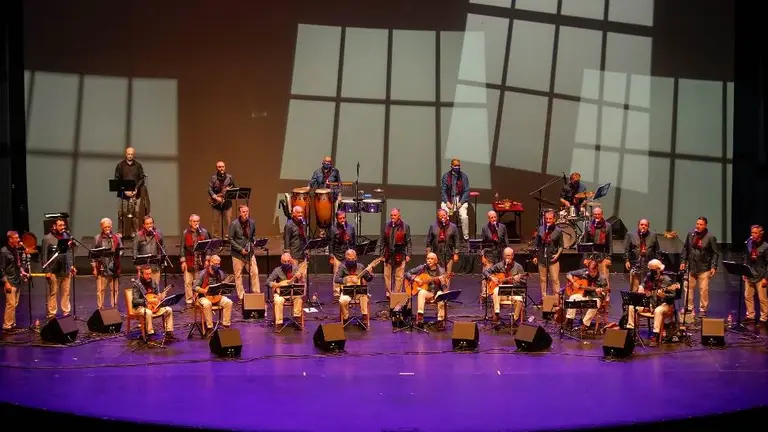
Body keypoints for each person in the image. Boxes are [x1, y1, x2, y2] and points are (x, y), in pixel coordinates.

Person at [625, 259, 681, 346]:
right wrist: (641, 287)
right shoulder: (649, 276)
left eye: (653, 269)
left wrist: (664, 295)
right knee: (632, 306)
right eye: (650, 269)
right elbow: (644, 284)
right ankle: (631, 331)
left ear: (659, 269)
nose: (651, 271)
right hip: (650, 303)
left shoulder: (667, 280)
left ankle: (655, 335)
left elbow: (674, 295)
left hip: (664, 305)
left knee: (658, 310)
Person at [679, 216, 719, 318]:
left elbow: (715, 253)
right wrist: (683, 261)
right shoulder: (690, 235)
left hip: (704, 268)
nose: (698, 226)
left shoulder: (710, 237)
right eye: (697, 224)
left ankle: (703, 309)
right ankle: (688, 307)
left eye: (701, 224)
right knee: (687, 287)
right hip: (691, 267)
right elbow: (685, 249)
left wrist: (713, 266)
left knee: (703, 289)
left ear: (705, 226)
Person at [41, 218, 75, 319]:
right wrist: (46, 271)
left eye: (63, 225)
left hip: (65, 269)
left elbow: (69, 253)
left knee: (66, 292)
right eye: (60, 225)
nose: (63, 227)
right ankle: (52, 313)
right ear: (54, 226)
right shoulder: (47, 238)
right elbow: (44, 255)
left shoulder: (66, 236)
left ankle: (66, 311)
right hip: (53, 270)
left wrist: (71, 265)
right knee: (53, 292)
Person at [482, 247, 525, 326]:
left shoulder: (518, 267)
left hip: (513, 293)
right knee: (495, 291)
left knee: (520, 299)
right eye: (506, 256)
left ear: (513, 256)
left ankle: (514, 319)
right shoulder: (499, 266)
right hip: (501, 294)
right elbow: (486, 272)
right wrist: (492, 278)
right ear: (503, 256)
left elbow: (524, 282)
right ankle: (497, 313)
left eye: (510, 255)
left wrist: (517, 280)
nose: (508, 257)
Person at [192, 255, 233, 335]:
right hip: (203, 296)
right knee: (207, 304)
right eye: (216, 264)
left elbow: (222, 284)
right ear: (211, 262)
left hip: (217, 296)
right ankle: (209, 328)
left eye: (219, 264)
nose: (217, 266)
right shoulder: (203, 273)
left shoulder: (220, 273)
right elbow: (194, 287)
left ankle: (226, 325)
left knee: (228, 302)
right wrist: (204, 291)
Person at [405, 253, 448, 330]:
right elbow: (407, 273)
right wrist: (415, 279)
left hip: (436, 292)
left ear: (436, 261)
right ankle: (420, 317)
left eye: (431, 259)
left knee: (441, 295)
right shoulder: (423, 268)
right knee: (421, 292)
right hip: (427, 292)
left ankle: (440, 321)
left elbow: (444, 288)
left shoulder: (441, 271)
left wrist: (443, 282)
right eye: (428, 258)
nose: (429, 260)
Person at [131, 265, 175, 338]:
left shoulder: (153, 282)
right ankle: (149, 333)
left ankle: (168, 331)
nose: (149, 276)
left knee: (168, 309)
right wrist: (147, 301)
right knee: (148, 312)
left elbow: (157, 294)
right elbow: (135, 301)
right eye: (147, 274)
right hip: (139, 307)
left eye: (150, 273)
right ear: (142, 274)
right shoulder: (137, 284)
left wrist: (161, 297)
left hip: (153, 306)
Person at [228, 205, 260, 300]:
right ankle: (241, 296)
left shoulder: (252, 223)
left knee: (255, 272)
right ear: (240, 213)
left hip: (250, 253)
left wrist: (253, 241)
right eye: (243, 212)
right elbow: (230, 239)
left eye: (247, 211)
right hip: (238, 254)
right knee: (238, 275)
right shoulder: (234, 224)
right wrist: (240, 249)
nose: (246, 213)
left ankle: (256, 294)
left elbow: (253, 235)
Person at [564, 260, 608, 331]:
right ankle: (569, 321)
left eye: (594, 272)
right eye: (590, 272)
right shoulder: (584, 272)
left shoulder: (602, 278)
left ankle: (585, 324)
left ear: (597, 269)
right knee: (572, 298)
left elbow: (604, 294)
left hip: (595, 298)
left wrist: (600, 292)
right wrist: (573, 282)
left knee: (595, 303)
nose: (592, 274)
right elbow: (568, 274)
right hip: (584, 295)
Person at [114, 147, 148, 239]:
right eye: (128, 154)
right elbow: (117, 179)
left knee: (135, 214)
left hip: (135, 194)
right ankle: (120, 232)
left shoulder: (138, 166)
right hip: (123, 195)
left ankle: (135, 232)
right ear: (125, 154)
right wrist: (125, 190)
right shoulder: (120, 165)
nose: (130, 156)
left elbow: (141, 179)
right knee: (121, 214)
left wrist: (136, 189)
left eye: (131, 154)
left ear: (134, 154)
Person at [377, 208, 412, 295]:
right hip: (388, 254)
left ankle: (397, 295)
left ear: (399, 216)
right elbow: (382, 240)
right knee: (387, 276)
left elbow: (408, 241)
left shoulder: (405, 226)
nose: (393, 217)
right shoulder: (386, 225)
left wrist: (409, 254)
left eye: (395, 215)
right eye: (391, 215)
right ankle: (389, 293)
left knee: (399, 277)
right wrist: (381, 254)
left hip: (400, 254)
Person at [90, 218, 123, 310]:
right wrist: (94, 268)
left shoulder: (116, 237)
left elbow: (121, 249)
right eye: (105, 227)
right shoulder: (97, 238)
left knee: (115, 289)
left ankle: (114, 306)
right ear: (102, 227)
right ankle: (100, 308)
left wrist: (117, 254)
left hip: (114, 267)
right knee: (100, 290)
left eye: (109, 226)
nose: (107, 228)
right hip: (102, 267)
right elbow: (93, 254)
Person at [266, 253, 305, 329]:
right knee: (278, 300)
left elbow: (302, 282)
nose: (286, 263)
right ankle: (279, 323)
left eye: (288, 261)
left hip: (293, 293)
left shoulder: (296, 269)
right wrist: (277, 285)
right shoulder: (277, 270)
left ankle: (297, 320)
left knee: (298, 298)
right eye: (284, 261)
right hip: (280, 293)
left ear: (291, 261)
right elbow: (268, 282)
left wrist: (300, 278)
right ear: (281, 261)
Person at [334, 249, 373, 324]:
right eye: (349, 259)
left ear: (356, 258)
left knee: (364, 296)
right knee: (342, 301)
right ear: (346, 258)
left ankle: (364, 315)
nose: (351, 260)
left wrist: (371, 275)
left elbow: (368, 279)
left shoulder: (360, 266)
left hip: (358, 291)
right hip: (347, 291)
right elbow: (336, 279)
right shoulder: (342, 267)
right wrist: (346, 279)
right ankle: (345, 316)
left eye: (353, 259)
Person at [180, 214, 211, 305]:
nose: (196, 223)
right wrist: (183, 261)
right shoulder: (185, 233)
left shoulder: (204, 232)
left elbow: (208, 247)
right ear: (190, 222)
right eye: (194, 221)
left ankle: (198, 299)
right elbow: (182, 248)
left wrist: (207, 259)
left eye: (197, 221)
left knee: (198, 282)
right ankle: (189, 300)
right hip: (189, 260)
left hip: (200, 260)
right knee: (188, 282)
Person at [1, 231, 30, 331]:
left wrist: (22, 271)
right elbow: (1, 269)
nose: (18, 240)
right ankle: (7, 326)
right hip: (10, 281)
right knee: (11, 304)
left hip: (16, 280)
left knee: (15, 304)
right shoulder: (4, 251)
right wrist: (6, 282)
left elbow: (17, 264)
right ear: (10, 239)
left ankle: (12, 324)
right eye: (16, 238)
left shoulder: (15, 250)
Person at [425, 209, 460, 288]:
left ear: (447, 216)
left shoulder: (453, 227)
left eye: (444, 215)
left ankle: (445, 294)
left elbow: (457, 241)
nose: (442, 217)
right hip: (436, 254)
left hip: (449, 254)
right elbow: (429, 241)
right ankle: (437, 292)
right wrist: (428, 253)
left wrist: (456, 253)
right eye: (440, 216)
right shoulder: (433, 226)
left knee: (447, 274)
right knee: (439, 274)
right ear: (438, 217)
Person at [624, 219, 660, 292]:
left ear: (648, 227)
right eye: (642, 225)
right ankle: (634, 302)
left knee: (647, 288)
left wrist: (656, 263)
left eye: (645, 225)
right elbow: (626, 249)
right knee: (634, 288)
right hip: (635, 264)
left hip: (648, 265)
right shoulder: (631, 235)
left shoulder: (653, 235)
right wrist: (627, 260)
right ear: (638, 225)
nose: (643, 226)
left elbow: (657, 250)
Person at [533, 210, 563, 298]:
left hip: (553, 258)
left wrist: (557, 255)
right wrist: (535, 256)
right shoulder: (541, 229)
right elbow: (537, 244)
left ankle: (556, 299)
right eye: (546, 219)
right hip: (542, 257)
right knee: (543, 279)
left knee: (555, 279)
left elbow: (561, 246)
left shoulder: (558, 231)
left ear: (554, 219)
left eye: (550, 218)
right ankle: (544, 298)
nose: (548, 220)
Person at [743, 225, 768, 324]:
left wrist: (766, 278)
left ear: (760, 234)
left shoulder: (765, 246)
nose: (752, 235)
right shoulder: (749, 243)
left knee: (762, 298)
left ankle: (764, 317)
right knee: (748, 296)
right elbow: (746, 257)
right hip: (750, 274)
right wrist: (745, 271)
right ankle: (750, 315)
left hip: (761, 276)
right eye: (752, 233)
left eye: (755, 233)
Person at [440, 158, 470, 240]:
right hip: (449, 199)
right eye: (455, 166)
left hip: (460, 199)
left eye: (458, 166)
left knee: (464, 217)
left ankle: (465, 236)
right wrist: (447, 202)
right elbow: (443, 191)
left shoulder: (464, 176)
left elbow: (467, 191)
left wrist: (461, 202)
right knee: (444, 216)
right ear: (451, 166)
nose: (457, 167)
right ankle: (446, 235)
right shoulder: (446, 176)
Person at [582, 207, 612, 287]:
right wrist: (585, 257)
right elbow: (585, 242)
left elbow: (610, 243)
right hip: (591, 255)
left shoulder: (607, 225)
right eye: (595, 214)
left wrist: (609, 258)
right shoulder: (588, 225)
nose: (597, 216)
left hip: (603, 255)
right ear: (593, 215)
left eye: (599, 214)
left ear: (602, 215)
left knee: (604, 278)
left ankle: (606, 297)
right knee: (591, 278)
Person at [329, 211, 356, 298]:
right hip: (338, 255)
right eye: (340, 218)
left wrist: (354, 253)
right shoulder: (333, 228)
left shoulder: (350, 228)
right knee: (337, 274)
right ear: (337, 219)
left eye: (344, 218)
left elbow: (354, 242)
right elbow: (331, 243)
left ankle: (347, 289)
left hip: (348, 256)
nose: (342, 220)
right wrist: (331, 256)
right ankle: (336, 292)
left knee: (348, 273)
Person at [208, 160, 236, 239]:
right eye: (219, 167)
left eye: (222, 167)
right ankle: (216, 239)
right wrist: (216, 197)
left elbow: (235, 187)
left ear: (225, 167)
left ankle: (227, 238)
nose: (221, 168)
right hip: (216, 203)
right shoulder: (213, 178)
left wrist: (228, 191)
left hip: (227, 203)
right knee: (215, 222)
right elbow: (209, 189)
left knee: (228, 222)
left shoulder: (230, 177)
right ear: (216, 168)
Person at [133, 216, 164, 285]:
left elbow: (162, 247)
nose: (149, 225)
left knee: (155, 289)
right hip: (143, 268)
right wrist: (138, 266)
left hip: (155, 267)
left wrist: (161, 261)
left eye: (151, 223)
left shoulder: (158, 234)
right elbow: (135, 250)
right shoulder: (138, 235)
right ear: (143, 225)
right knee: (143, 290)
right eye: (147, 224)